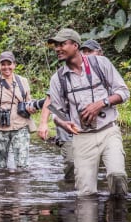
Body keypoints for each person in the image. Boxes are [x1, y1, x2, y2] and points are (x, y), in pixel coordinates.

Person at [41, 28, 130, 197]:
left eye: (62, 44)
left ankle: (118, 217)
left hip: (108, 131)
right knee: (86, 193)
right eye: (55, 46)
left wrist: (100, 104)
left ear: (75, 45)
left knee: (117, 175)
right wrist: (63, 123)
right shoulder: (57, 78)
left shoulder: (100, 64)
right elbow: (56, 112)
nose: (57, 49)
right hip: (82, 138)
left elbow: (124, 93)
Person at [37, 39, 104, 182]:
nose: (87, 54)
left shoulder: (102, 69)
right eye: (84, 51)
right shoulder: (64, 73)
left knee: (99, 164)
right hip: (67, 122)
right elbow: (51, 101)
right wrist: (44, 123)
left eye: (90, 51)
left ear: (99, 53)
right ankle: (70, 198)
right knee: (71, 162)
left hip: (95, 127)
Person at [0, 51, 37, 170]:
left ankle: (20, 187)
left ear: (14, 65)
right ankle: (1, 187)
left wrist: (32, 108)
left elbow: (28, 102)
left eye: (9, 64)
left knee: (23, 165)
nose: (6, 67)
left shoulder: (23, 81)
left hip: (20, 126)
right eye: (3, 64)